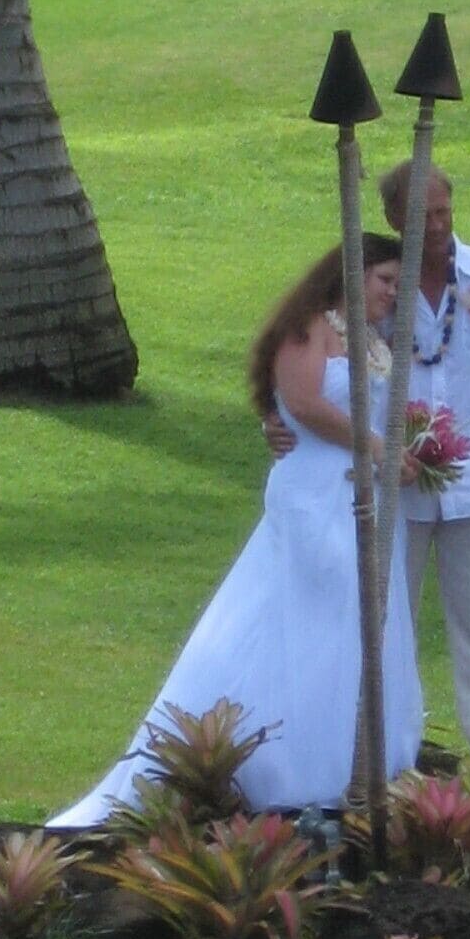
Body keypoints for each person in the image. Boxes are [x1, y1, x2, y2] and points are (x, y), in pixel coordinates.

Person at [48, 234, 423, 827]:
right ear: (351, 275)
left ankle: (348, 755)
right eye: (385, 280)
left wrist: (402, 453)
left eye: (398, 284)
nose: (393, 294)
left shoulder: (376, 341)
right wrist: (378, 446)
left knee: (359, 620)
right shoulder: (309, 328)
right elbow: (302, 402)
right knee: (313, 614)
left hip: (364, 494)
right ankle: (278, 763)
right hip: (314, 495)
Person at [266, 163, 470, 755]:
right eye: (421, 216)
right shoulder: (378, 288)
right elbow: (311, 355)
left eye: (444, 212)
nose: (436, 226)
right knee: (386, 627)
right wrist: (281, 417)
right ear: (393, 218)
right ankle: (388, 755)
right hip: (389, 490)